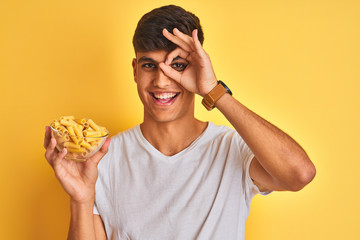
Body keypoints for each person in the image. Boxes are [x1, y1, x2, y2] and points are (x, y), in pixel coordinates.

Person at [44, 5, 316, 240]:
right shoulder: (103, 158)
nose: (161, 81)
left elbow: (299, 174)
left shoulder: (232, 149)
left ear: (198, 68)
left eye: (177, 66)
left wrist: (214, 91)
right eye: (149, 65)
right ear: (135, 71)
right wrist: (81, 200)